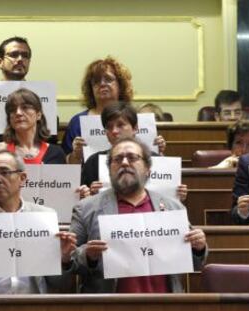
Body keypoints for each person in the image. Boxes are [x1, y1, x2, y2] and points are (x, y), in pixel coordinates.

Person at [69, 137, 207, 293]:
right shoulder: (86, 208)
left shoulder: (173, 207)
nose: (125, 163)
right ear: (109, 169)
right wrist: (88, 255)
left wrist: (198, 247)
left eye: (132, 158)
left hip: (165, 303)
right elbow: (69, 260)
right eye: (118, 159)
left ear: (148, 168)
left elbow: (194, 263)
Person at [0, 149, 76, 294]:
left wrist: (64, 259)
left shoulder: (44, 216)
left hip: (34, 303)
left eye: (4, 172)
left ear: (23, 178)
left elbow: (58, 283)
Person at [81, 102, 186, 201]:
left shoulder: (155, 160)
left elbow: (168, 203)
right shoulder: (93, 162)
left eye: (120, 125)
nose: (114, 131)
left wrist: (177, 196)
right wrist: (90, 195)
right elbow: (84, 202)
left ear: (135, 128)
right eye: (109, 127)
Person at [61, 56, 133, 164]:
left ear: (120, 85)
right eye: (96, 81)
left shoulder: (134, 118)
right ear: (91, 88)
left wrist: (157, 150)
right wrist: (76, 155)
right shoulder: (77, 122)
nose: (102, 84)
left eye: (108, 79)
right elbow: (65, 167)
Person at [0, 88, 65, 165]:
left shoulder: (56, 153)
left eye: (25, 107)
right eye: (12, 109)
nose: (18, 113)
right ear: (9, 118)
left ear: (38, 115)